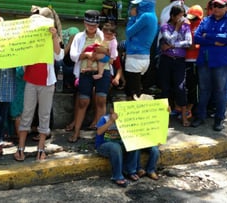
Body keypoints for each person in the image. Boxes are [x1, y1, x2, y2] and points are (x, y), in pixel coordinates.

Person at [14, 14, 63, 161]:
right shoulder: (27, 40)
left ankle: (41, 149)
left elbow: (59, 56)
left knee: (44, 115)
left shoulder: (51, 38)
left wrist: (54, 37)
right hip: (30, 81)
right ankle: (20, 148)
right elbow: (20, 59)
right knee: (26, 113)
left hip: (47, 83)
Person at [191, 0, 227, 131]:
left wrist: (207, 36)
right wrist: (215, 41)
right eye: (214, 5)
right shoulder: (206, 20)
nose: (216, 8)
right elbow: (196, 37)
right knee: (203, 90)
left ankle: (219, 118)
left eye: (220, 6)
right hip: (204, 60)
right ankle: (200, 116)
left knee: (220, 91)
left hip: (222, 62)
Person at [68, 10, 110, 143]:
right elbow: (73, 56)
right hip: (85, 71)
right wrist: (86, 55)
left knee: (101, 101)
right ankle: (76, 132)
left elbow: (111, 53)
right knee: (83, 101)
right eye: (89, 25)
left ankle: (100, 135)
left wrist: (99, 52)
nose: (92, 28)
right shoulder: (79, 37)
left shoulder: (103, 35)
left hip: (103, 70)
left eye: (94, 25)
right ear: (84, 23)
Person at [158, 5, 192, 126]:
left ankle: (184, 117)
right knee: (165, 88)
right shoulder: (164, 27)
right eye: (179, 16)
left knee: (180, 88)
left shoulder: (186, 27)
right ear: (172, 16)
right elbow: (169, 40)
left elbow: (188, 42)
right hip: (166, 60)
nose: (181, 18)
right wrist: (177, 29)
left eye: (183, 15)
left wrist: (172, 46)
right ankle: (164, 117)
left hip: (179, 61)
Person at [124, 0, 158, 100]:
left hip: (135, 58)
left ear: (145, 4)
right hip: (144, 58)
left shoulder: (145, 17)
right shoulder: (153, 16)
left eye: (139, 4)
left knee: (133, 93)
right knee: (136, 91)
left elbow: (129, 32)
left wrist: (132, 17)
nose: (137, 6)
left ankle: (133, 116)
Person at [95, 105, 138, 187]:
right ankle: (117, 176)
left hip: (119, 145)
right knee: (115, 147)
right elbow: (99, 132)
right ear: (111, 110)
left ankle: (130, 171)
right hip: (103, 145)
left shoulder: (126, 119)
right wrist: (111, 121)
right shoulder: (104, 119)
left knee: (133, 143)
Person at [183, 5, 204, 118]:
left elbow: (199, 44)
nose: (191, 19)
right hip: (185, 58)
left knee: (194, 87)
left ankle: (192, 109)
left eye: (193, 17)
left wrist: (191, 46)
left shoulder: (202, 26)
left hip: (196, 60)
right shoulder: (187, 25)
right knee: (187, 85)